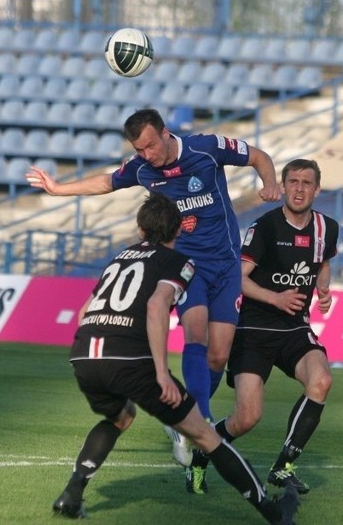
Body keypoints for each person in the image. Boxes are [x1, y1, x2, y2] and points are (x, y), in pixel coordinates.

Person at [26, 108, 281, 464]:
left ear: (164, 132)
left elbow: (258, 156)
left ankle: (188, 416)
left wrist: (269, 183)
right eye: (139, 150)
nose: (146, 155)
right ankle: (198, 421)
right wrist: (58, 189)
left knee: (220, 354)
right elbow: (106, 181)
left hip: (226, 264)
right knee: (195, 333)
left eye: (149, 146)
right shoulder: (142, 168)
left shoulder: (206, 148)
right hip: (186, 267)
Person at [52, 193, 298, 524]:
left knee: (120, 417)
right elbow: (156, 307)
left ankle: (71, 494)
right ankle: (274, 513)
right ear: (179, 230)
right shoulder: (178, 262)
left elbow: (84, 312)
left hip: (84, 354)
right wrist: (160, 374)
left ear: (140, 228)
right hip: (130, 360)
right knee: (207, 437)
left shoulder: (118, 258)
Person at [187, 159, 339, 496]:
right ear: (283, 187)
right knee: (247, 418)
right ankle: (202, 451)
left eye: (306, 183)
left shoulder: (327, 227)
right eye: (293, 182)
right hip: (253, 330)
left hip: (295, 328)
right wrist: (274, 298)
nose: (299, 189)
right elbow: (237, 280)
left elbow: (323, 262)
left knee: (322, 380)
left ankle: (283, 467)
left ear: (317, 189)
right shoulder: (265, 227)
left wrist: (324, 291)